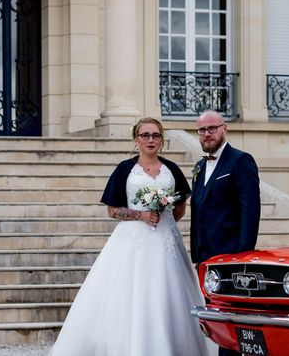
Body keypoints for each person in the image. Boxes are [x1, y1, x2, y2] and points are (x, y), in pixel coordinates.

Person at [50, 117, 209, 356]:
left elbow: (180, 206)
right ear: (136, 139)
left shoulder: (172, 169)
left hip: (166, 240)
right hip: (132, 240)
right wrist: (142, 216)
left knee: (171, 294)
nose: (150, 140)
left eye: (155, 135)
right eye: (145, 135)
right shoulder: (125, 168)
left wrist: (162, 220)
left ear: (162, 140)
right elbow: (112, 210)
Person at [190, 109, 261, 265]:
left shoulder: (241, 160)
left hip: (231, 253)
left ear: (225, 128)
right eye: (202, 130)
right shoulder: (199, 166)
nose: (207, 133)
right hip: (203, 255)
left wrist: (243, 255)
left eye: (212, 128)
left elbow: (250, 211)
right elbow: (197, 210)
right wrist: (195, 252)